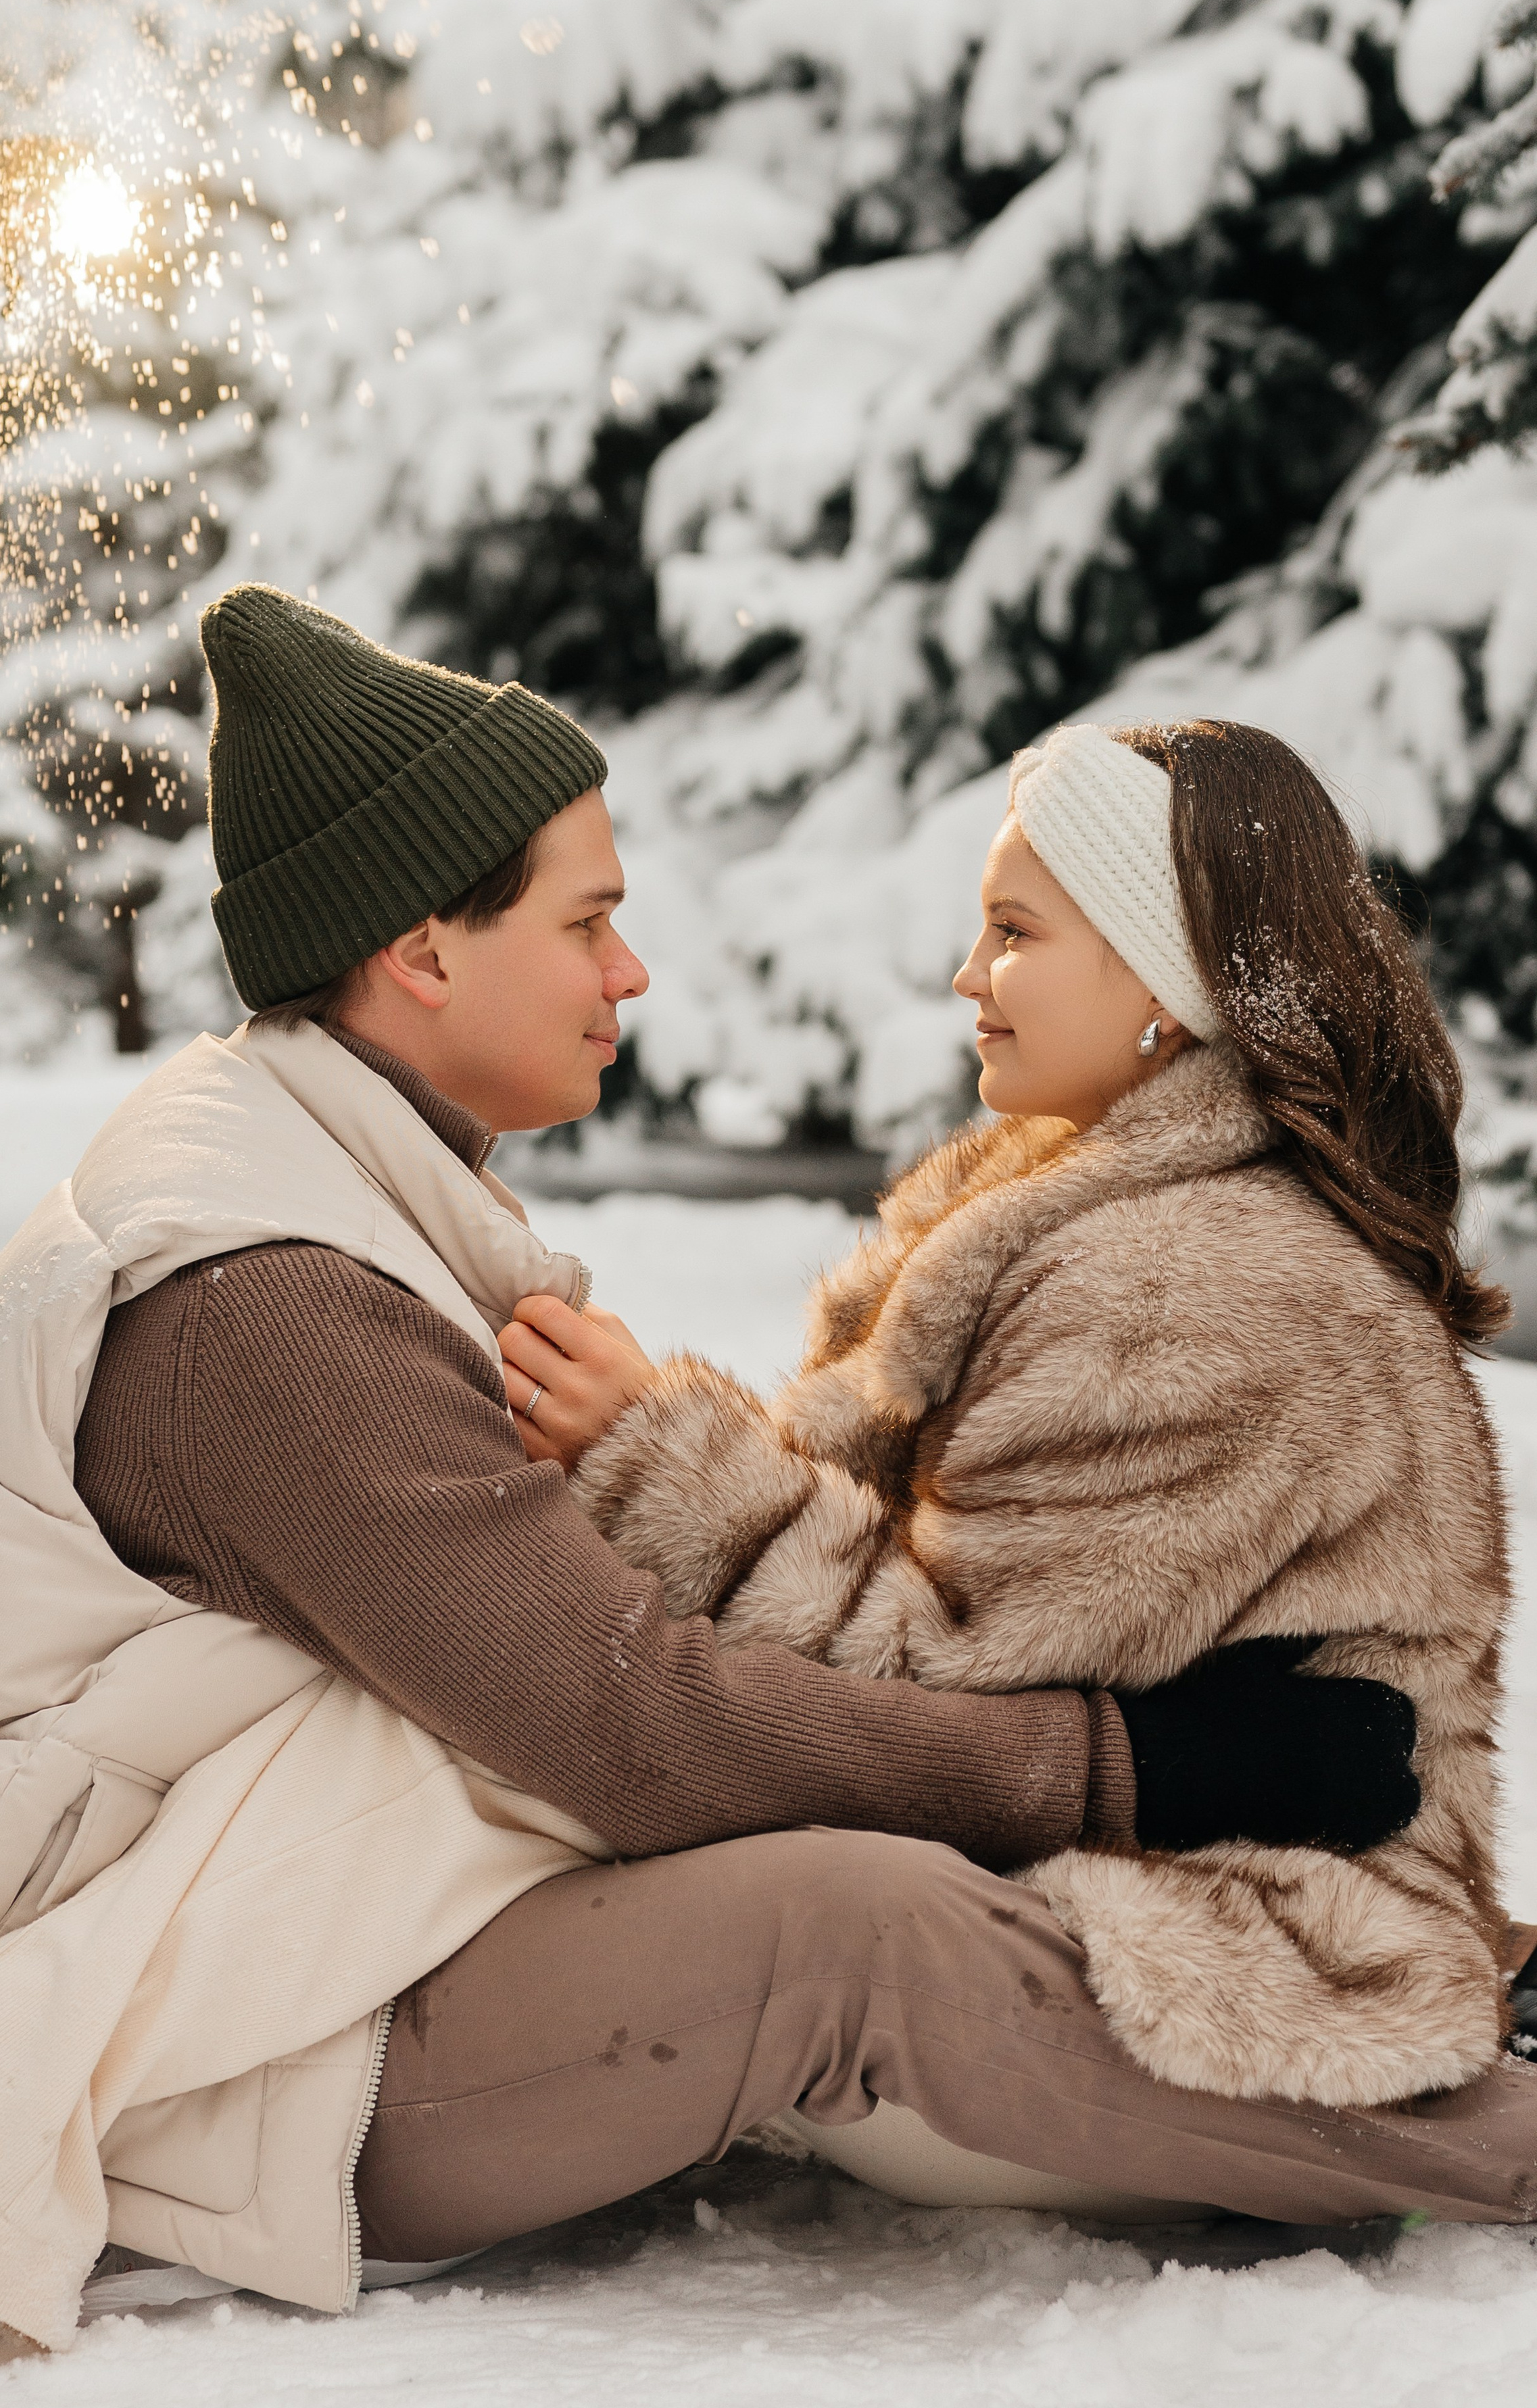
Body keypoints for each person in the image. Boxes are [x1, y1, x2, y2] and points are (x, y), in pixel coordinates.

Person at [0, 612, 1479, 2375]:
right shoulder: (269, 1299)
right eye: (588, 921)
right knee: (851, 1936)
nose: (635, 975)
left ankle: (1436, 2020)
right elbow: (638, 1726)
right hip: (181, 2049)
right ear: (422, 952)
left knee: (846, 1866)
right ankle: (1488, 2136)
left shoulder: (316, 1190)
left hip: (269, 1950)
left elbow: (609, 1655)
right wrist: (1140, 1767)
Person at [505, 717, 1512, 2128]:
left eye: (1014, 931)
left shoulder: (1182, 1284)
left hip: (1245, 1960)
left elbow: (936, 1691)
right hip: (1183, 1890)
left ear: (1169, 980)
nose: (967, 976)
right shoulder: (1094, 1224)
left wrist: (657, 1459)